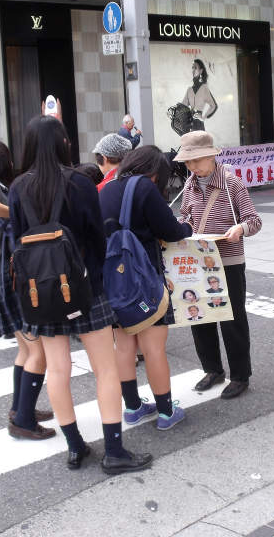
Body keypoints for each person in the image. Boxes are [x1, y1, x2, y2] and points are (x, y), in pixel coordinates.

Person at [9, 115, 152, 473]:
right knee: (105, 369)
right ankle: (115, 451)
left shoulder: (17, 187)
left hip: (40, 293)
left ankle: (75, 447)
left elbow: (16, 242)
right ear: (63, 144)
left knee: (58, 370)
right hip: (86, 289)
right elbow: (96, 238)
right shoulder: (79, 182)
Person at [99, 145, 193, 431]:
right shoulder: (144, 187)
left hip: (115, 281)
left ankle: (132, 408)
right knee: (153, 348)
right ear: (155, 173)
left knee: (124, 345)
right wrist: (186, 227)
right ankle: (166, 412)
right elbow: (170, 231)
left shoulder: (106, 189)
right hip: (145, 280)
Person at [0, 140, 54, 433]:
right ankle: (23, 421)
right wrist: (15, 211)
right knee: (38, 351)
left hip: (3, 276)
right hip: (8, 277)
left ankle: (21, 408)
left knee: (27, 351)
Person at [176, 130, 262, 399]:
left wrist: (240, 228)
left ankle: (240, 376)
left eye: (196, 161)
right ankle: (212, 370)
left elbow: (254, 220)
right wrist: (180, 228)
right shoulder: (189, 186)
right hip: (199, 260)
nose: (192, 167)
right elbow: (185, 217)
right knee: (199, 316)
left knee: (232, 318)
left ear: (212, 156)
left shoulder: (232, 182)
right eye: (188, 162)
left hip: (229, 260)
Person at [182, 59, 218, 130]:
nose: (193, 70)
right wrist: (174, 112)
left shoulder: (204, 88)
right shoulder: (189, 90)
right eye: (192, 67)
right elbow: (182, 107)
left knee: (199, 140)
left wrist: (203, 117)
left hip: (199, 125)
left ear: (201, 71)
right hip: (189, 124)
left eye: (195, 68)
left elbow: (214, 106)